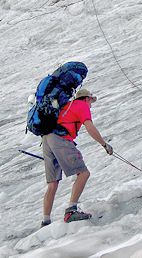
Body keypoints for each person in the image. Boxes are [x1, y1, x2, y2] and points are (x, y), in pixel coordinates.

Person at [41, 88, 113, 227]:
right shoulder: (81, 105)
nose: (91, 104)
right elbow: (89, 126)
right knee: (84, 173)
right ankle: (71, 211)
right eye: (91, 101)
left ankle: (46, 221)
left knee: (53, 183)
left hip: (47, 138)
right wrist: (104, 144)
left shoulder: (65, 105)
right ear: (86, 98)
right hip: (61, 139)